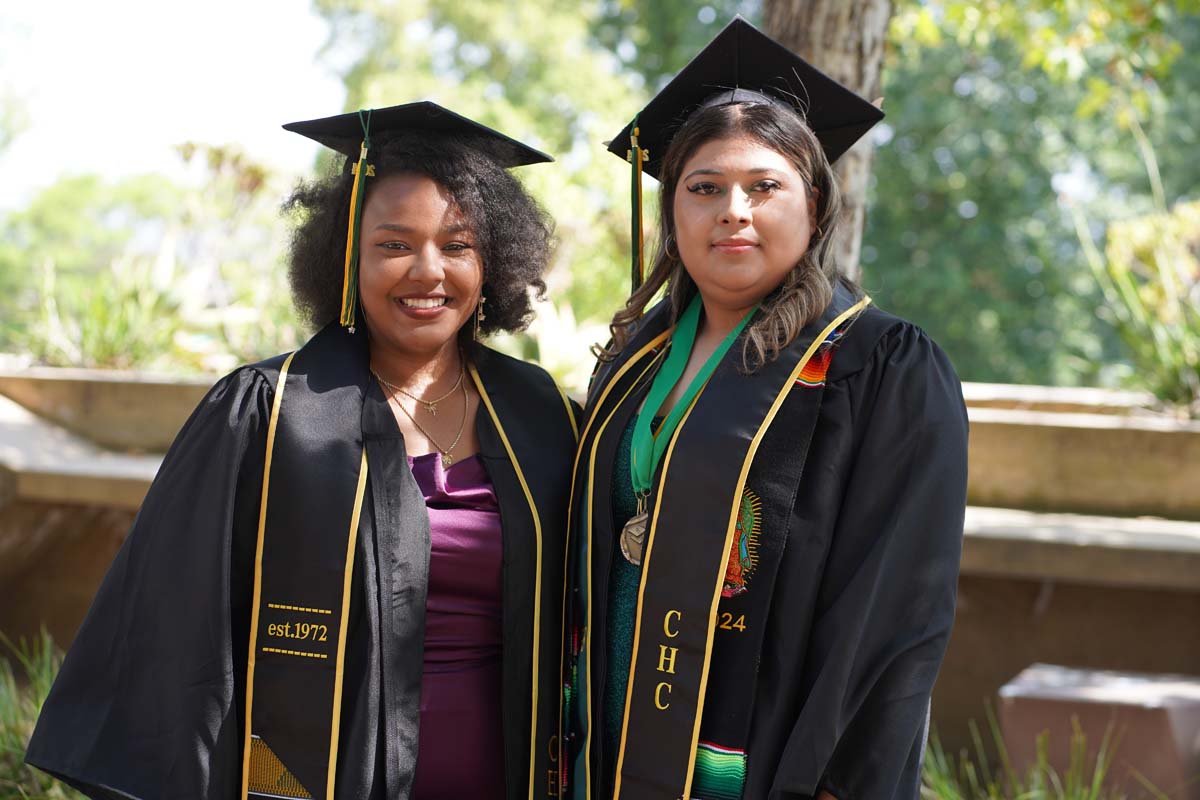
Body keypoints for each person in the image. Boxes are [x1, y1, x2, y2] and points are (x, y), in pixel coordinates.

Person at [28, 102, 579, 800]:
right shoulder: (268, 410)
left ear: (493, 260)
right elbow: (174, 628)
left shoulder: (544, 416)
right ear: (346, 256)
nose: (428, 270)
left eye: (458, 245)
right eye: (393, 244)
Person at [558, 19, 968, 800]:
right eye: (704, 187)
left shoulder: (878, 368)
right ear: (673, 212)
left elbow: (894, 624)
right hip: (606, 744)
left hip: (766, 758)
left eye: (764, 186)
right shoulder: (632, 365)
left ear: (813, 205)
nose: (732, 211)